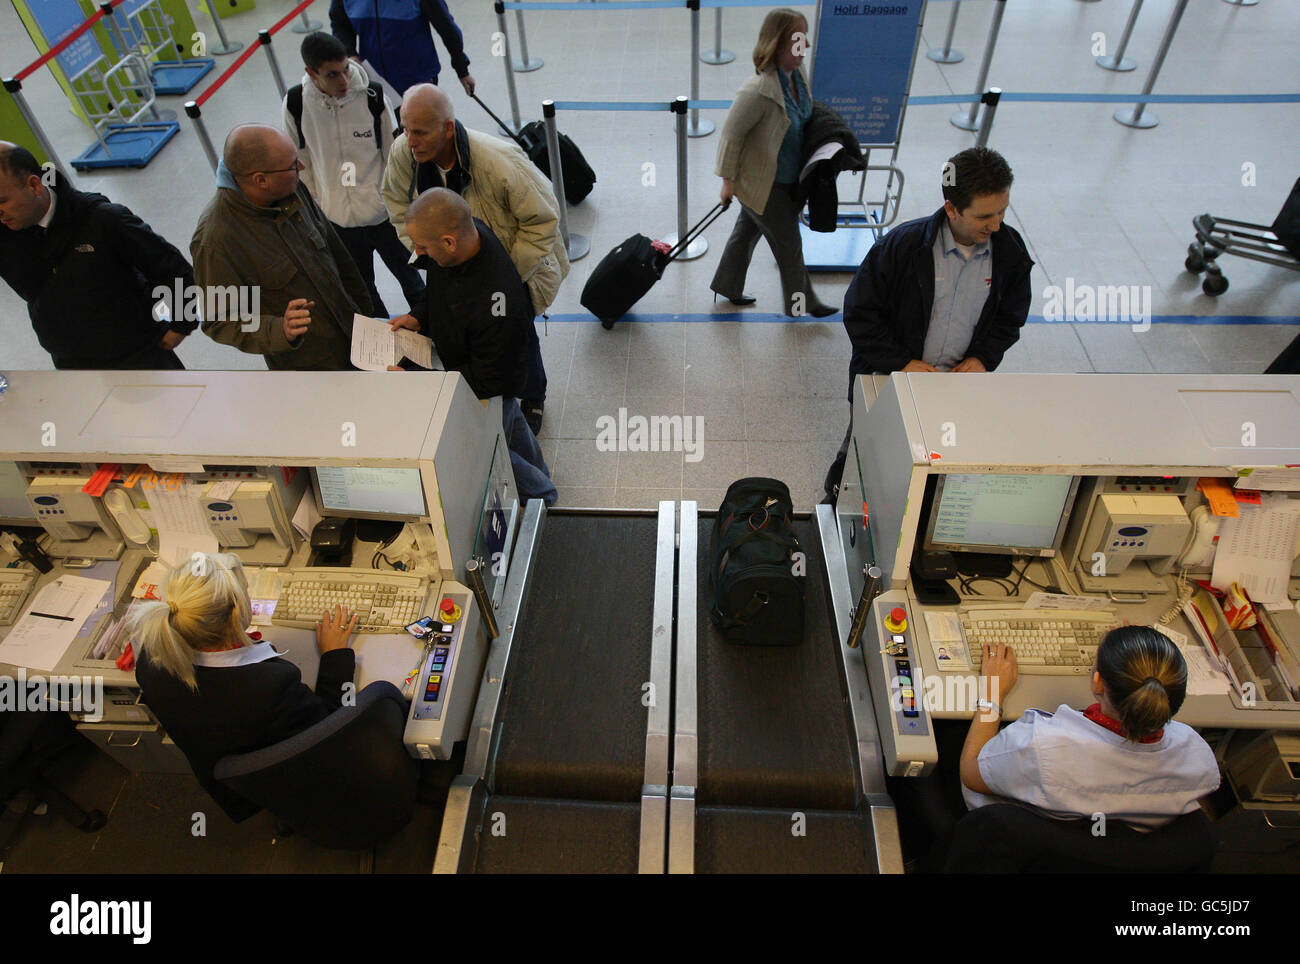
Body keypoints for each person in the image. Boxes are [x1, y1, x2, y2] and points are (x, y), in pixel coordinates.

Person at [822, 147, 1034, 501]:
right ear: (951, 209)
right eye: (984, 216)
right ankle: (836, 504)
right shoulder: (903, 248)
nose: (996, 225)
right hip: (889, 378)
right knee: (862, 451)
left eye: (1002, 211)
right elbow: (860, 312)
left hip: (954, 386)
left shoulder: (1009, 253)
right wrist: (901, 363)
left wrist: (983, 358)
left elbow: (1010, 318)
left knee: (936, 458)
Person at [382, 84, 566, 434]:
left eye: (420, 132)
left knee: (517, 335)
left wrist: (505, 278)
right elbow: (395, 201)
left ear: (448, 128)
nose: (410, 140)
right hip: (450, 264)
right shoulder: (404, 153)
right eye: (405, 130)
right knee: (471, 334)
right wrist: (424, 249)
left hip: (509, 269)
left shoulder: (500, 162)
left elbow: (544, 220)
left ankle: (533, 394)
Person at [129, 553, 362, 821]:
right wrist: (335, 656)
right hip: (296, 777)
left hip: (238, 787)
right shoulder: (271, 687)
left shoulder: (150, 660)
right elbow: (331, 726)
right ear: (237, 613)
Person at [389, 189, 557, 505]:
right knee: (514, 428)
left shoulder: (496, 302)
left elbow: (488, 378)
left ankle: (542, 496)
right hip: (482, 369)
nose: (417, 252)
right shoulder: (467, 236)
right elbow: (437, 287)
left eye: (422, 246)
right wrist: (418, 316)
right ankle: (542, 472)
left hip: (487, 385)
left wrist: (424, 383)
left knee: (491, 446)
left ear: (449, 242)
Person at [961, 625, 1221, 829]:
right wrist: (1135, 658)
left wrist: (993, 692)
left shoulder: (1042, 747)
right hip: (1104, 852)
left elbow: (971, 773)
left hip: (1007, 831)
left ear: (1098, 684)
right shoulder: (1199, 760)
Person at [191, 124, 373, 370]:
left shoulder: (291, 188)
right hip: (311, 366)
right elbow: (219, 320)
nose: (301, 167)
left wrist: (366, 314)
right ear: (261, 180)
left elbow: (337, 254)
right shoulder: (216, 240)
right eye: (292, 165)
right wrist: (277, 330)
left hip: (356, 337)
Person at [0, 142, 196, 369]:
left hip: (139, 356)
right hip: (70, 364)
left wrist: (182, 325)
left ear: (34, 185)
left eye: (2, 201)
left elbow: (173, 269)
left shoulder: (103, 220)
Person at [285, 32, 425, 318]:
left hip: (383, 216)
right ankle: (384, 345)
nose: (344, 81)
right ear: (311, 73)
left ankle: (430, 328)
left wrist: (394, 203)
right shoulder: (296, 103)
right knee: (362, 289)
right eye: (332, 75)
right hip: (337, 222)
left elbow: (394, 156)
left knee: (411, 279)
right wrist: (322, 199)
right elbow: (301, 160)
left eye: (346, 69)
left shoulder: (373, 98)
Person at [710, 8, 836, 318]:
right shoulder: (757, 91)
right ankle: (802, 304)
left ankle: (727, 285)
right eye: (797, 39)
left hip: (787, 177)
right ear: (778, 44)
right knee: (790, 247)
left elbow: (805, 115)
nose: (805, 45)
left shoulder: (797, 76)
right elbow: (731, 135)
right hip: (765, 185)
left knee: (746, 233)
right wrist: (727, 183)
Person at [329, 0, 474, 100]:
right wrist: (350, 54)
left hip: (418, 79)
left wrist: (462, 69)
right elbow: (340, 24)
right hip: (373, 79)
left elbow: (446, 27)